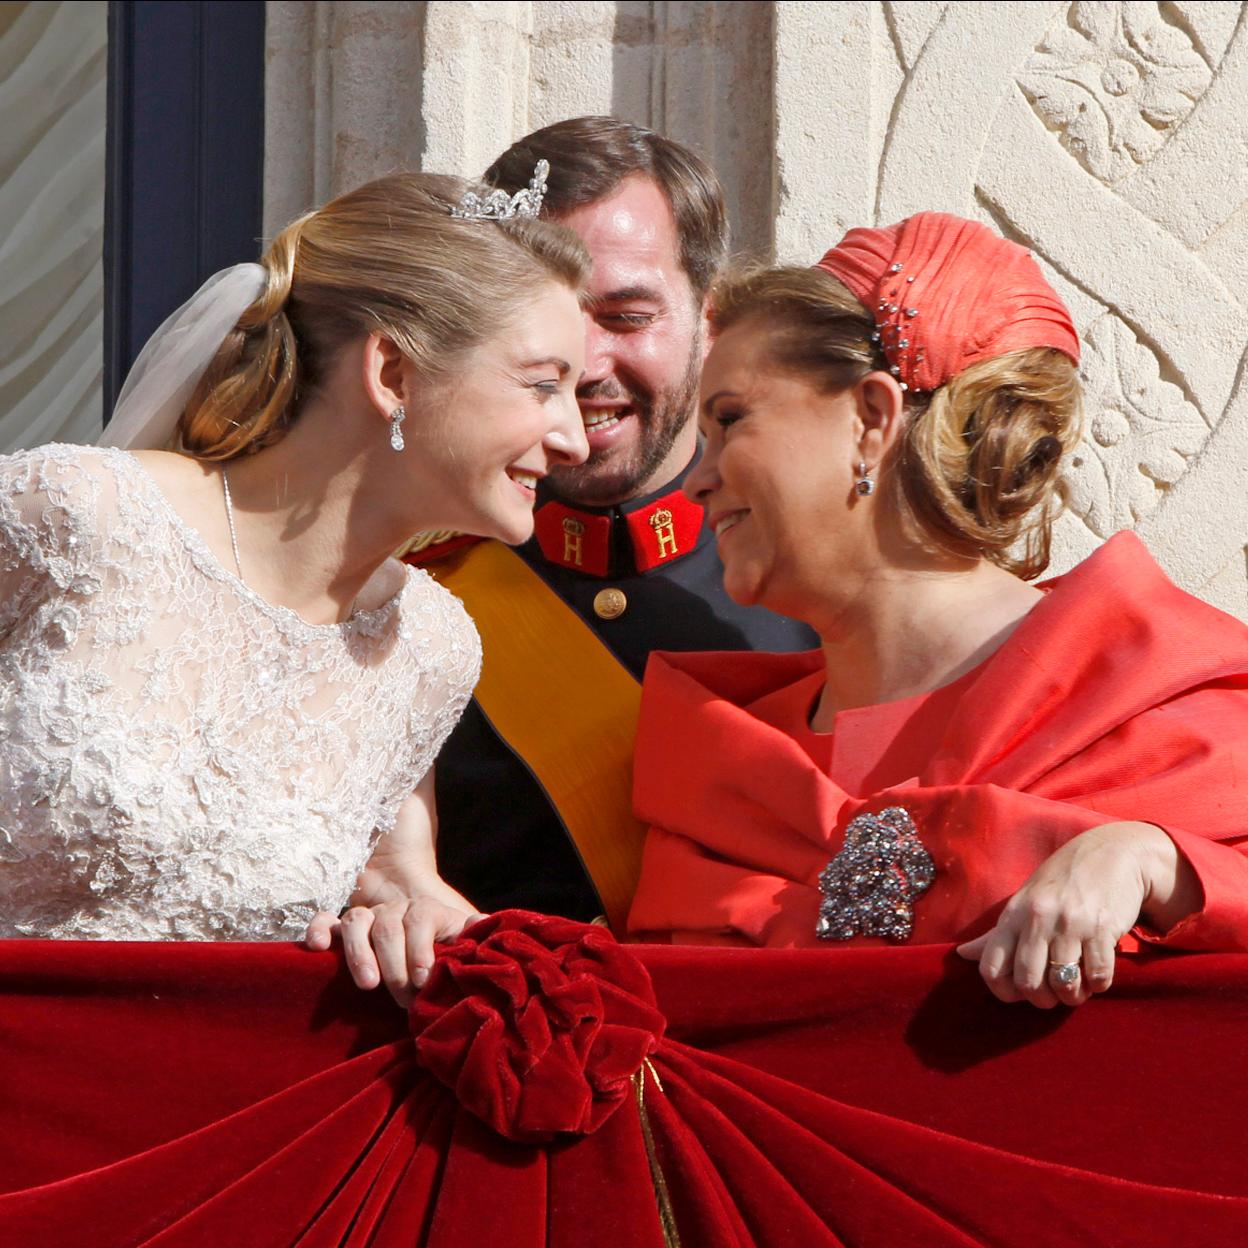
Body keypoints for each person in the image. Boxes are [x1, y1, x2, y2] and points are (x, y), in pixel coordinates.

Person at [628, 211, 1248, 1009]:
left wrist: (1158, 860)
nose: (695, 480)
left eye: (729, 421)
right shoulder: (713, 767)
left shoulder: (1160, 702)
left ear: (872, 418)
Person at [0, 168, 589, 1000]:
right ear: (394, 373)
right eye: (543, 385)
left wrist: (410, 913)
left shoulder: (429, 649)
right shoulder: (73, 513)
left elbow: (396, 881)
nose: (575, 440)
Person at [406, 117, 816, 941]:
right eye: (544, 321)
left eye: (626, 317)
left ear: (709, 319)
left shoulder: (816, 578)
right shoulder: (408, 589)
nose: (584, 366)